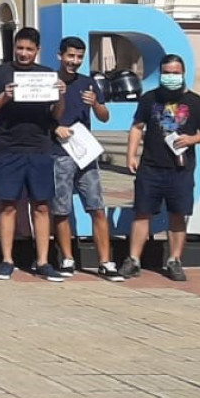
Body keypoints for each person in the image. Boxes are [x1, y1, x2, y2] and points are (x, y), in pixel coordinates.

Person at [0, 27, 67, 281]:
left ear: (37, 51)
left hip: (40, 148)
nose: (24, 53)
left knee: (41, 206)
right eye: (20, 48)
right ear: (14, 47)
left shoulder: (47, 74)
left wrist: (61, 95)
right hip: (9, 148)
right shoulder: (0, 72)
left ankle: (43, 261)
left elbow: (56, 115)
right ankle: (6, 260)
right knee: (7, 205)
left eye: (29, 49)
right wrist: (4, 97)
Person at [123, 55, 200, 282]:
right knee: (142, 213)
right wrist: (131, 154)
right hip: (151, 168)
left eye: (175, 73)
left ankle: (174, 260)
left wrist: (190, 140)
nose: (170, 77)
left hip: (180, 169)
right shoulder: (149, 99)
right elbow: (137, 127)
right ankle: (133, 259)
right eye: (167, 73)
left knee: (177, 214)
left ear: (183, 74)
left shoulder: (195, 102)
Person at [53, 37, 115, 280]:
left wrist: (97, 103)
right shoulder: (51, 81)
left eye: (79, 57)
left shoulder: (88, 83)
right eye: (70, 56)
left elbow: (104, 116)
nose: (74, 61)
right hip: (60, 152)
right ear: (60, 56)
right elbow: (42, 115)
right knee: (61, 208)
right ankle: (67, 259)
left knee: (96, 206)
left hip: (85, 152)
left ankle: (105, 262)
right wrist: (54, 128)